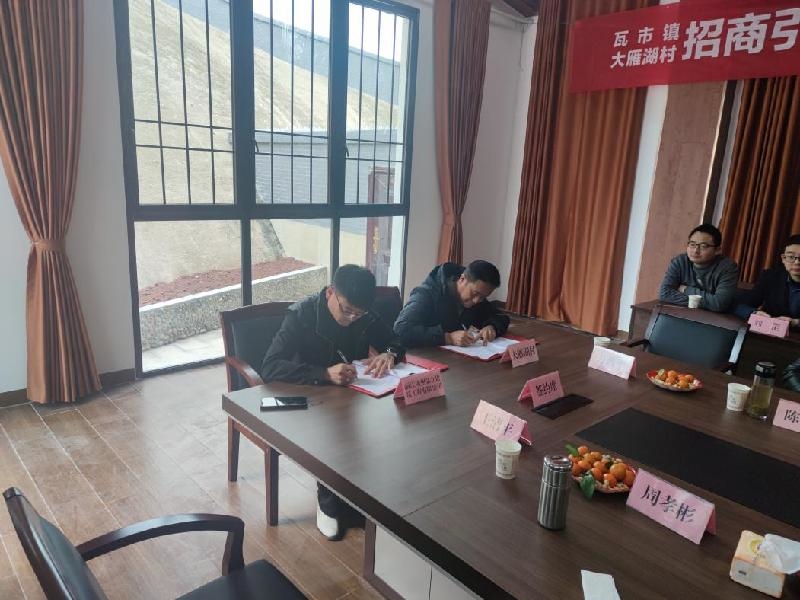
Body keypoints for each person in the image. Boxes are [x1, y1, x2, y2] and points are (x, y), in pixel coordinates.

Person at [260, 264, 406, 541]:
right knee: (332, 433)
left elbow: (395, 340)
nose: (351, 319)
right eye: (347, 310)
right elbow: (270, 366)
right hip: (309, 394)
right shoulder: (302, 316)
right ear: (330, 292)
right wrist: (324, 373)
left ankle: (360, 497)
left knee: (378, 429)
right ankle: (328, 503)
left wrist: (389, 353)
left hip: (351, 394)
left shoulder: (363, 314)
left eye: (358, 314)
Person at [394, 260, 510, 348]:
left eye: (484, 297)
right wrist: (447, 337)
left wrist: (492, 327)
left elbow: (501, 317)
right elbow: (401, 330)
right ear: (462, 279)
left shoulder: (478, 296)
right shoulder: (426, 294)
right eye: (475, 293)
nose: (476, 301)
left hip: (460, 362)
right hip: (425, 360)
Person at [658, 224, 739, 313]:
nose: (696, 250)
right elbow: (664, 294)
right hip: (684, 313)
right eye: (692, 244)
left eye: (703, 246)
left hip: (716, 318)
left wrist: (685, 289)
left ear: (717, 250)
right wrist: (703, 301)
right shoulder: (680, 261)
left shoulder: (727, 267)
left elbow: (719, 304)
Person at [733, 234, 800, 329]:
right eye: (791, 257)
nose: (797, 262)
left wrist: (796, 322)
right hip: (768, 333)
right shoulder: (770, 277)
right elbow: (741, 305)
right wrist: (754, 313)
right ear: (783, 259)